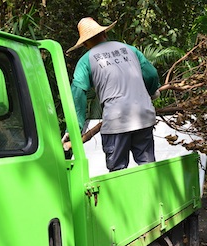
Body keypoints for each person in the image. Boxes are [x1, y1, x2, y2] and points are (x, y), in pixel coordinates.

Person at [65, 17, 160, 171]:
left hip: (116, 122)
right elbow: (151, 74)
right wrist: (152, 91)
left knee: (117, 173)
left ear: (84, 43)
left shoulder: (86, 60)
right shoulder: (130, 49)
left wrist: (74, 128)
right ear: (104, 34)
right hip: (144, 117)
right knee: (148, 168)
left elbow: (78, 92)